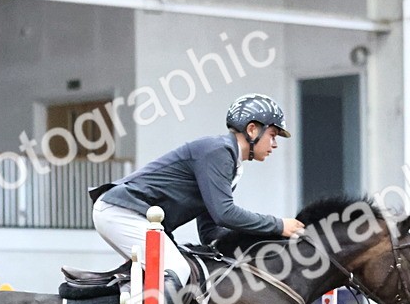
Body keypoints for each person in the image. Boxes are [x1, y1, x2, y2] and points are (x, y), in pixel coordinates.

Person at [89, 93, 305, 288]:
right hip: (122, 211)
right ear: (252, 129)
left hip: (128, 213)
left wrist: (259, 242)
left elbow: (210, 232)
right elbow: (224, 213)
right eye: (273, 134)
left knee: (185, 268)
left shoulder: (230, 161)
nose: (274, 144)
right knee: (177, 270)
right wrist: (277, 225)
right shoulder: (219, 152)